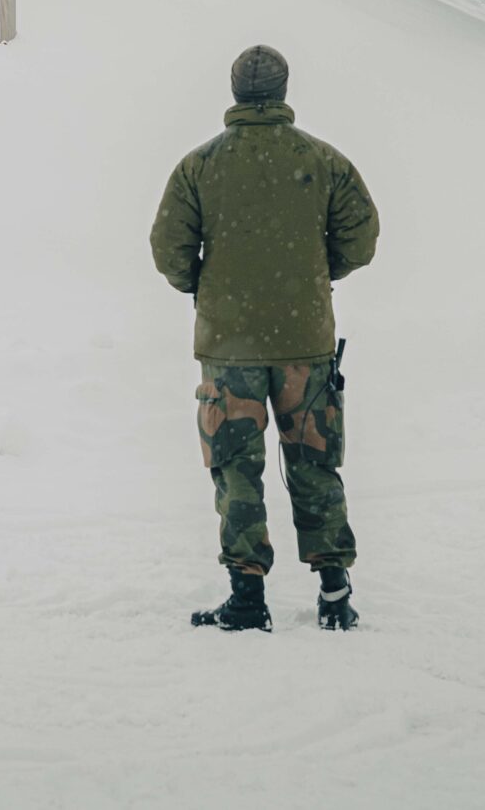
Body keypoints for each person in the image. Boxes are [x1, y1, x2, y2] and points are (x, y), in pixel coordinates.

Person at [149, 44, 379, 631]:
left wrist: (205, 287)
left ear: (234, 93)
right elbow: (361, 237)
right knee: (314, 462)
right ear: (282, 91)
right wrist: (316, 274)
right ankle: (334, 594)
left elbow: (169, 247)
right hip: (305, 341)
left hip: (230, 347)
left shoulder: (200, 166)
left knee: (235, 469)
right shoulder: (322, 161)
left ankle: (247, 598)